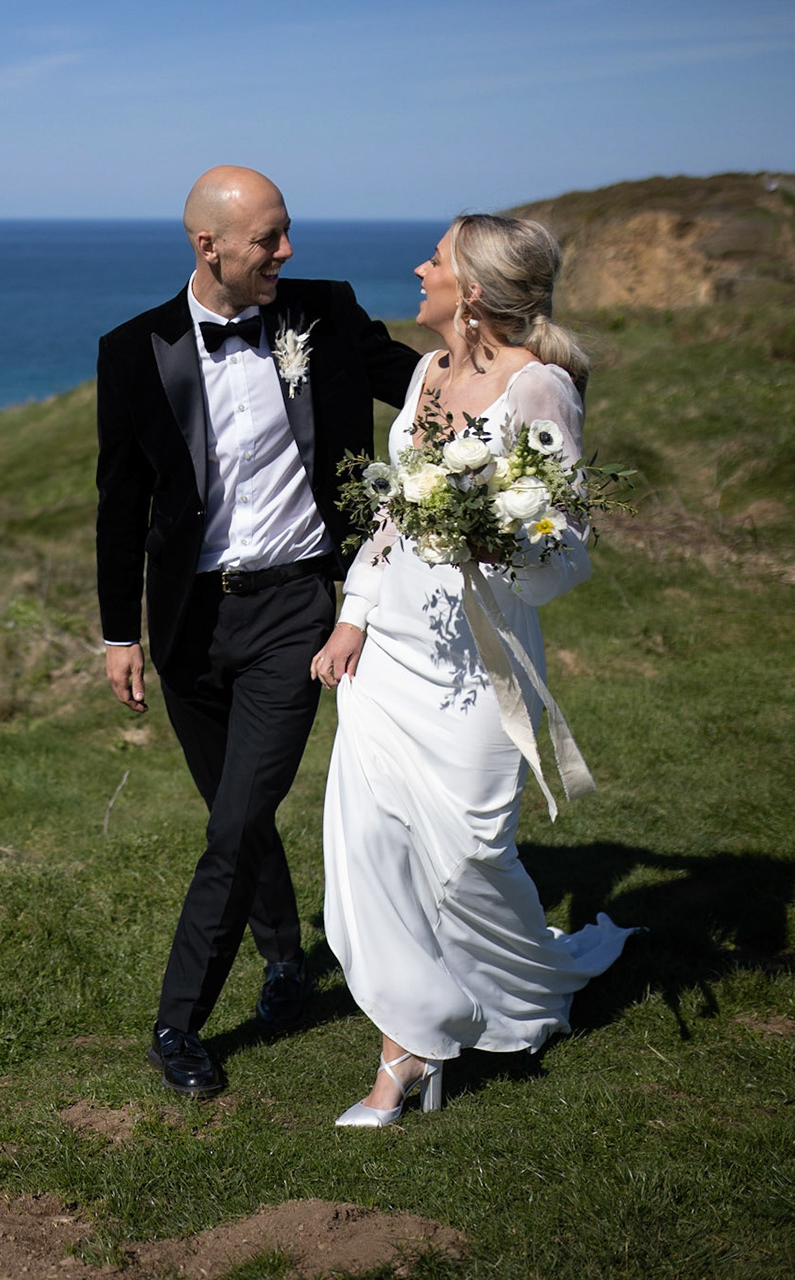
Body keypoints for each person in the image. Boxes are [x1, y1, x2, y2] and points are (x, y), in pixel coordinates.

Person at [96, 166, 422, 1097]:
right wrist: (121, 633)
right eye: (268, 239)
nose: (287, 252)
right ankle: (286, 960)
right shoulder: (132, 350)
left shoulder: (321, 311)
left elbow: (417, 384)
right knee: (235, 814)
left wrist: (510, 389)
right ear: (211, 248)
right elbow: (121, 504)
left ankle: (177, 1023)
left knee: (237, 820)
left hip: (295, 611)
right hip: (189, 623)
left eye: (286, 233)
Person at [311, 214, 637, 1127]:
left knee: (468, 858)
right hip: (388, 657)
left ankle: (525, 989)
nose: (419, 267)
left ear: (476, 291)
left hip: (475, 661)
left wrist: (489, 539)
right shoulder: (422, 374)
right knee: (368, 853)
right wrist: (352, 617)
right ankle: (408, 1046)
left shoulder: (540, 390)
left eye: (437, 258)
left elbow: (567, 550)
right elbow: (387, 518)